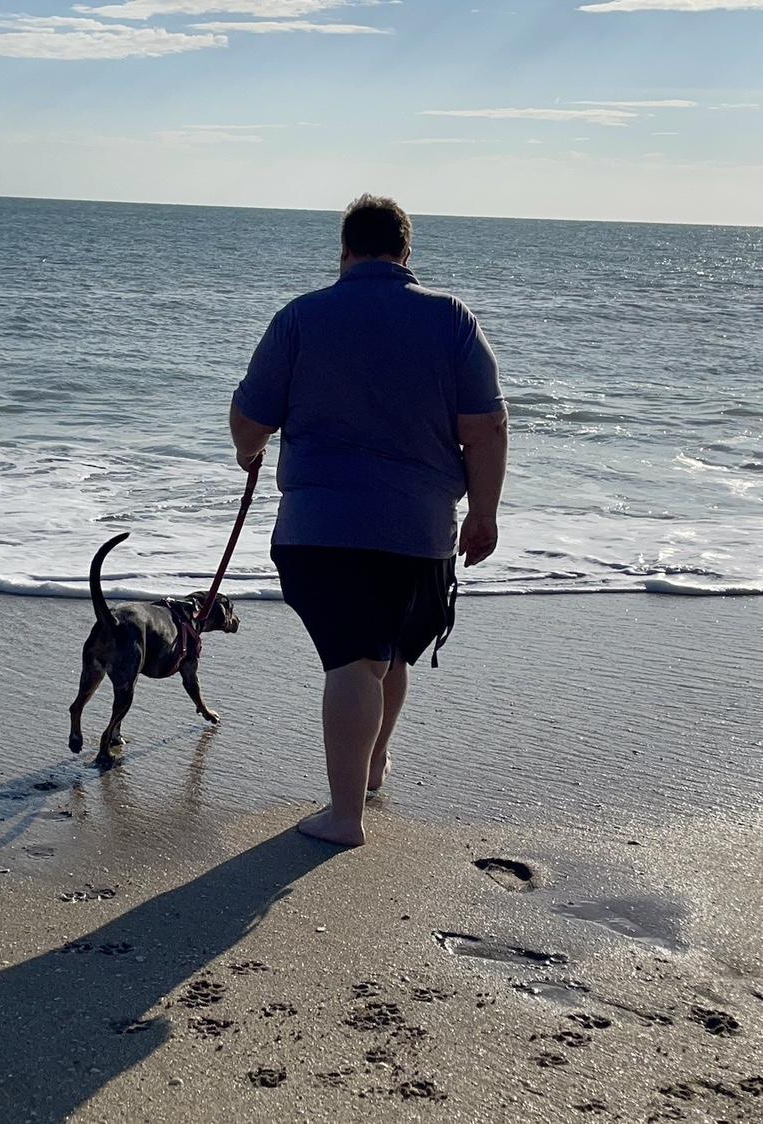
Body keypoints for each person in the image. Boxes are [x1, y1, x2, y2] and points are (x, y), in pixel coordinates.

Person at [230, 194, 508, 846]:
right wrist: (485, 514)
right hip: (421, 530)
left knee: (355, 661)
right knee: (388, 652)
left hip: (322, 528)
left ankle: (345, 816)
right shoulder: (451, 320)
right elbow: (487, 427)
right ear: (407, 253)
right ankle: (374, 765)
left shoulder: (303, 317)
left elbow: (251, 417)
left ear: (345, 250)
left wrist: (249, 452)